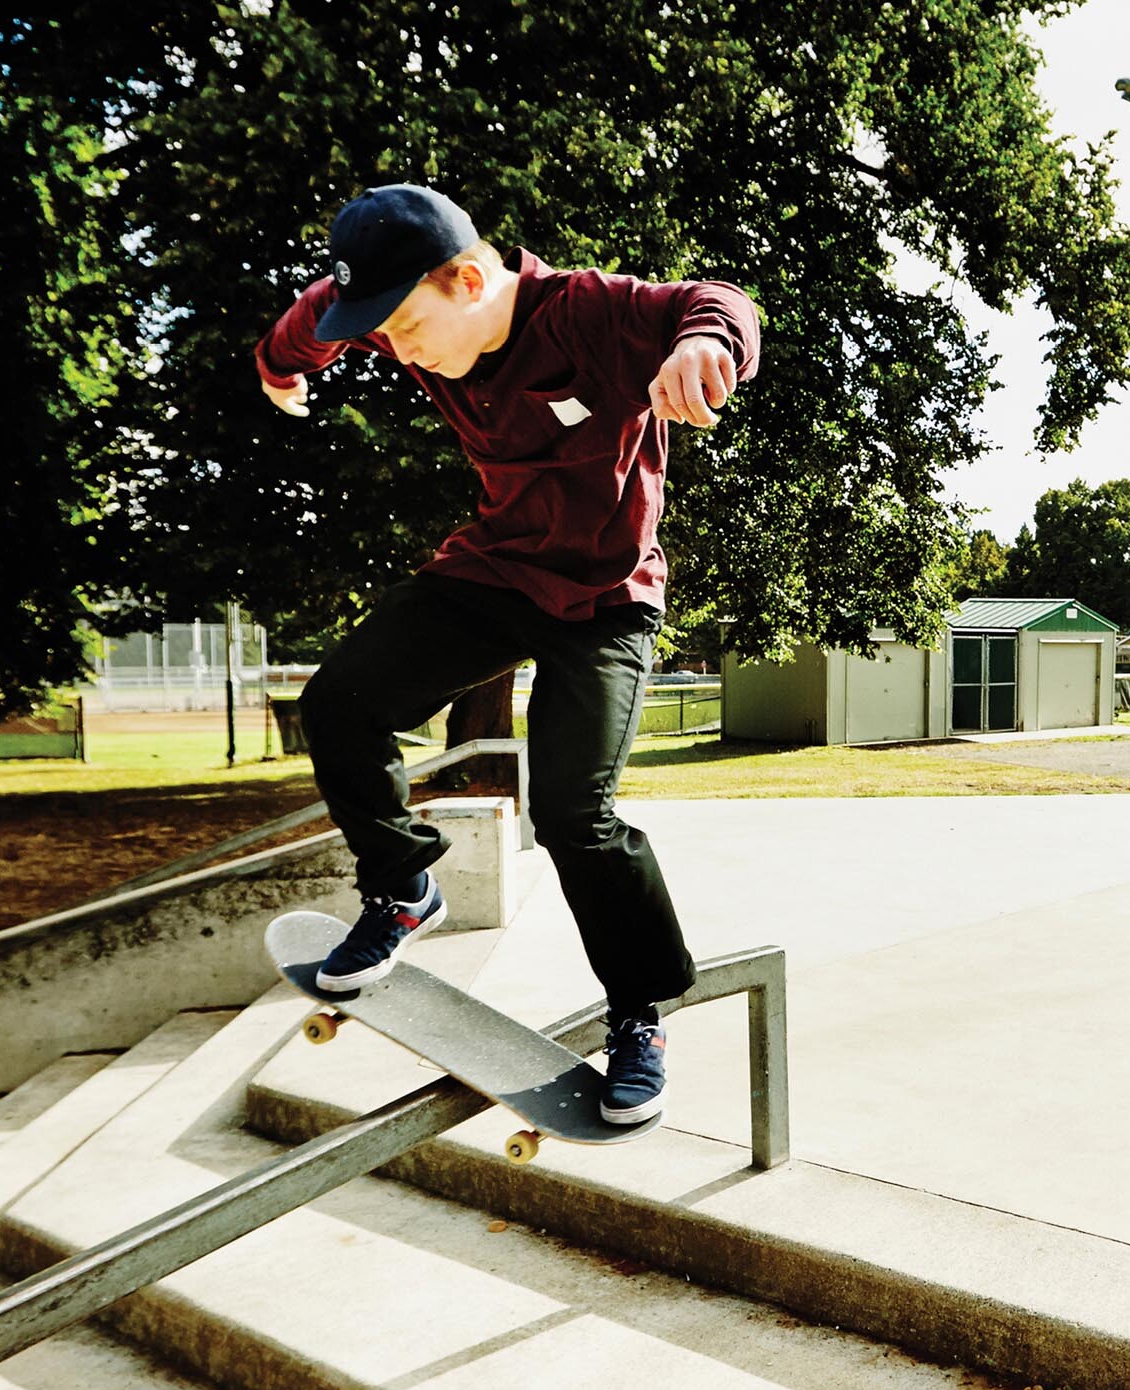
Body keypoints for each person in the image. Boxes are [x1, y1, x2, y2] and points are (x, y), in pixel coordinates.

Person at [255, 184, 760, 1125]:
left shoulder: (590, 315)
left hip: (607, 600)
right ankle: (403, 886)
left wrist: (705, 347)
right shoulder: (402, 312)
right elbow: (316, 318)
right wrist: (280, 365)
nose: (399, 351)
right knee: (338, 703)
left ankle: (640, 1013)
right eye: (389, 334)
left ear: (471, 279)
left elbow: (717, 300)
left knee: (574, 811)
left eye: (409, 327)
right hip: (492, 575)